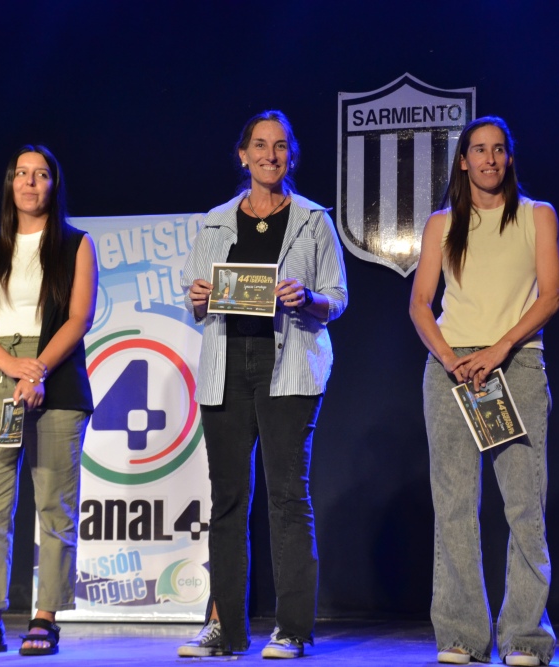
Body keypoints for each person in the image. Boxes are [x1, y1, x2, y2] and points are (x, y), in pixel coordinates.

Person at [178, 110, 348, 659]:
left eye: (280, 146)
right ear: (242, 155)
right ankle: (226, 630)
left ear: (291, 156)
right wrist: (199, 299)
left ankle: (292, 629)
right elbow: (196, 299)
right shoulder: (216, 221)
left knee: (285, 499)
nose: (269, 155)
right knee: (227, 500)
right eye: (259, 145)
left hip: (290, 366)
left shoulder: (313, 220)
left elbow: (337, 298)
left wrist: (310, 299)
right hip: (226, 365)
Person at [409, 117, 559, 666]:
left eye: (499, 150)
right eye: (479, 150)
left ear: (510, 159)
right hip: (451, 370)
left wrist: (498, 351)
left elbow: (550, 296)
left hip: (515, 364)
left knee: (524, 504)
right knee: (452, 505)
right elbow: (420, 303)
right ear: (463, 161)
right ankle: (462, 635)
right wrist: (451, 360)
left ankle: (525, 636)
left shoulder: (538, 216)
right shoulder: (441, 224)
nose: (490, 159)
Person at [0, 145, 97, 657]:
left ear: (55, 184)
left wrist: (38, 370)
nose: (31, 183)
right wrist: (12, 367)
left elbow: (79, 318)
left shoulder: (76, 245)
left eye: (41, 175)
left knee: (55, 504)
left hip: (53, 374)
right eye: (22, 175)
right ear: (10, 185)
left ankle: (45, 616)